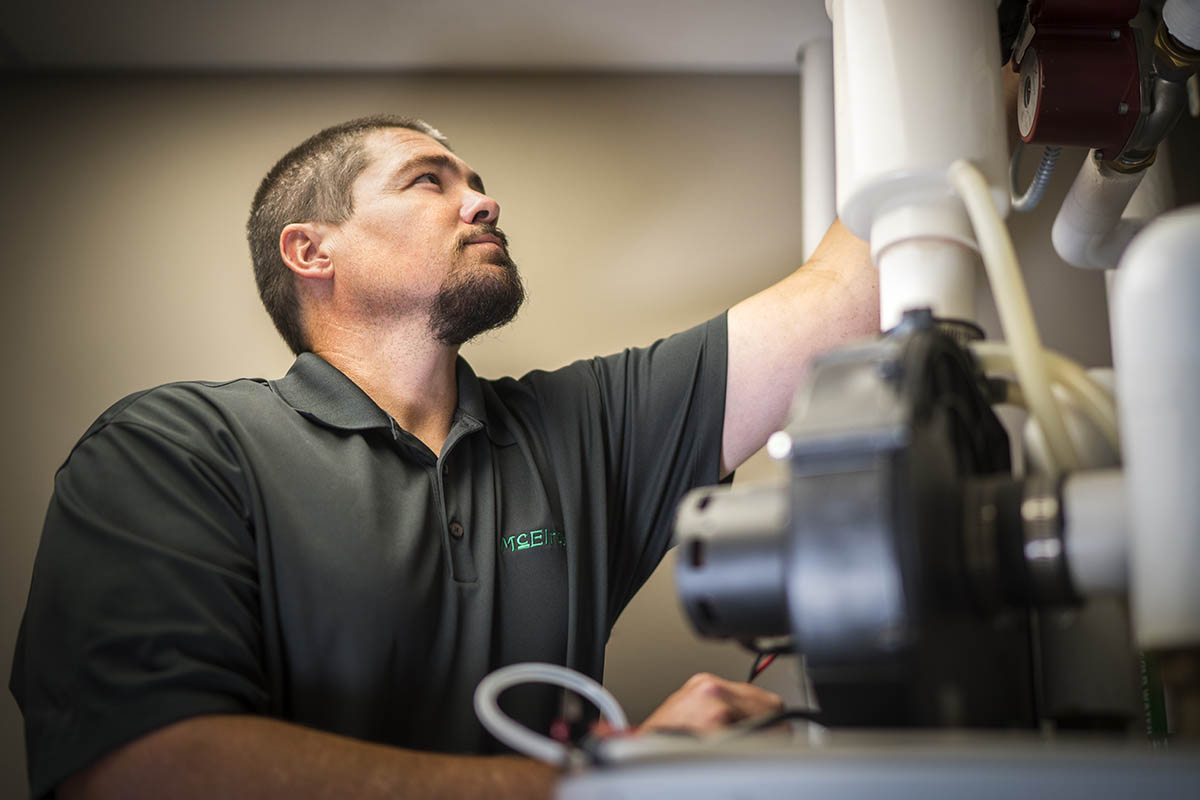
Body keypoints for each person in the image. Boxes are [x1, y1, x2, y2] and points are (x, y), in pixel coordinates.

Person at [10, 115, 879, 799]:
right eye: (429, 181)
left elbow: (846, 300)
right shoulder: (175, 447)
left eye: (479, 184)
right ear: (313, 252)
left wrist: (993, 71)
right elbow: (143, 771)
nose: (483, 201)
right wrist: (605, 783)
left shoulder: (582, 426)